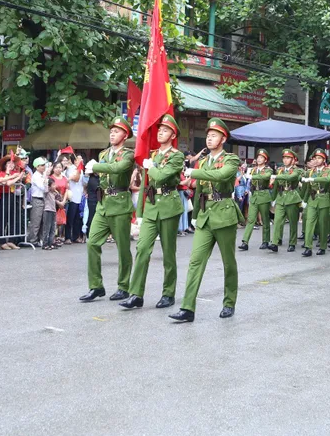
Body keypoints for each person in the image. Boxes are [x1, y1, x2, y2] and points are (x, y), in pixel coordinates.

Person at [169, 118, 240, 323]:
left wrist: (194, 171)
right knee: (195, 261)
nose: (209, 138)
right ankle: (187, 308)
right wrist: (195, 216)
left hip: (224, 214)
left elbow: (221, 175)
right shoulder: (204, 161)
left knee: (228, 262)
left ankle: (229, 302)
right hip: (206, 216)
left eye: (214, 135)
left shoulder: (231, 159)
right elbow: (200, 190)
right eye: (208, 135)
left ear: (223, 138)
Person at [121, 114, 184, 310]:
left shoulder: (177, 156)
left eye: (164, 130)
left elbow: (164, 177)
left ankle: (168, 293)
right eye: (159, 130)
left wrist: (150, 166)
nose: (160, 133)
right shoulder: (154, 155)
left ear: (172, 134)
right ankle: (136, 294)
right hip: (151, 206)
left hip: (168, 206)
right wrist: (139, 212)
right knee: (142, 249)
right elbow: (146, 185)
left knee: (168, 253)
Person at [78, 117, 134, 303]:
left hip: (119, 204)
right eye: (111, 131)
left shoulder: (128, 154)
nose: (112, 134)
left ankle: (124, 286)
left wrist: (95, 166)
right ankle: (96, 286)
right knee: (92, 242)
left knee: (123, 249)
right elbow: (102, 175)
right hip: (103, 205)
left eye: (117, 131)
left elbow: (117, 169)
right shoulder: (103, 154)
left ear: (125, 135)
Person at [300, 148, 330, 257]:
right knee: (309, 222)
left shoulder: (328, 171)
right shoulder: (310, 172)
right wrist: (304, 200)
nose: (317, 160)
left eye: (319, 158)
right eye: (315, 158)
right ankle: (308, 247)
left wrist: (315, 179)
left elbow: (329, 179)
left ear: (324, 160)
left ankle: (323, 246)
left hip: (323, 198)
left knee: (323, 224)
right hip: (312, 199)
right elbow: (307, 187)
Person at [270, 148, 303, 254]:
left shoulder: (297, 170)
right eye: (284, 158)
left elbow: (290, 178)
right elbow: (276, 185)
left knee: (293, 222)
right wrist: (273, 199)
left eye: (288, 158)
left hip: (292, 197)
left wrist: (276, 176)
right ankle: (275, 243)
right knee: (277, 220)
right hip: (281, 197)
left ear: (293, 160)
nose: (285, 160)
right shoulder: (280, 170)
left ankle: (292, 243)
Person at [240, 148, 274, 251]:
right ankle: (245, 242)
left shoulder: (268, 169)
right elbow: (248, 181)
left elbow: (266, 177)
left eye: (261, 157)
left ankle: (265, 240)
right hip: (254, 196)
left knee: (265, 219)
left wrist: (252, 176)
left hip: (264, 195)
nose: (259, 159)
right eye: (258, 157)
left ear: (265, 159)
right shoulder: (253, 169)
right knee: (251, 219)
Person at [27, 157, 49, 246]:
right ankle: (33, 239)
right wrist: (45, 177)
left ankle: (40, 239)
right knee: (36, 221)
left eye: (44, 165)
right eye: (42, 165)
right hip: (37, 199)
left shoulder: (42, 175)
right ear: (37, 167)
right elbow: (43, 187)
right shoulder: (36, 176)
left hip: (43, 199)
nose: (44, 167)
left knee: (43, 220)